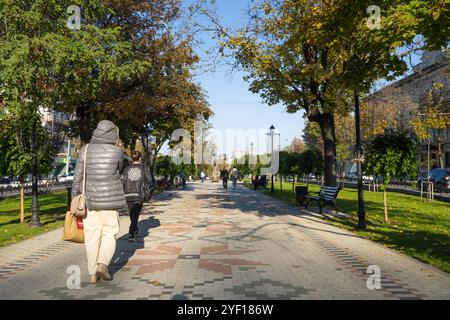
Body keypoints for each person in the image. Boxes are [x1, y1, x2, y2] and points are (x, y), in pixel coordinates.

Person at [72, 120, 127, 284]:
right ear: (112, 133)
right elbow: (122, 169)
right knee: (109, 233)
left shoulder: (85, 150)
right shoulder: (117, 152)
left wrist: (74, 200)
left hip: (89, 201)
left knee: (91, 236)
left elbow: (77, 178)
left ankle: (92, 274)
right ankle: (103, 264)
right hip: (111, 201)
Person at [122, 150, 153, 242]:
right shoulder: (144, 167)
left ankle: (135, 229)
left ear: (132, 158)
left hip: (127, 194)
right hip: (139, 194)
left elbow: (123, 180)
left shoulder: (127, 168)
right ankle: (131, 234)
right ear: (140, 158)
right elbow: (150, 180)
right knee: (135, 214)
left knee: (132, 213)